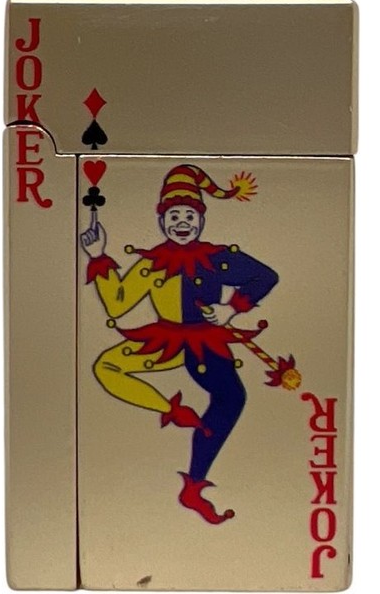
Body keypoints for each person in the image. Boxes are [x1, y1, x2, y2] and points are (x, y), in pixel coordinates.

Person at [80, 164, 278, 524]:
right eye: (174, 216)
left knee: (232, 398)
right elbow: (118, 303)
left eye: (189, 215)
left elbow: (265, 276)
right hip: (166, 341)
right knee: (105, 366)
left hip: (204, 341)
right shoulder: (153, 264)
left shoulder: (217, 258)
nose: (182, 223)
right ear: (161, 221)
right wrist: (97, 256)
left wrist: (231, 307)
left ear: (201, 220)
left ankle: (194, 484)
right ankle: (173, 412)